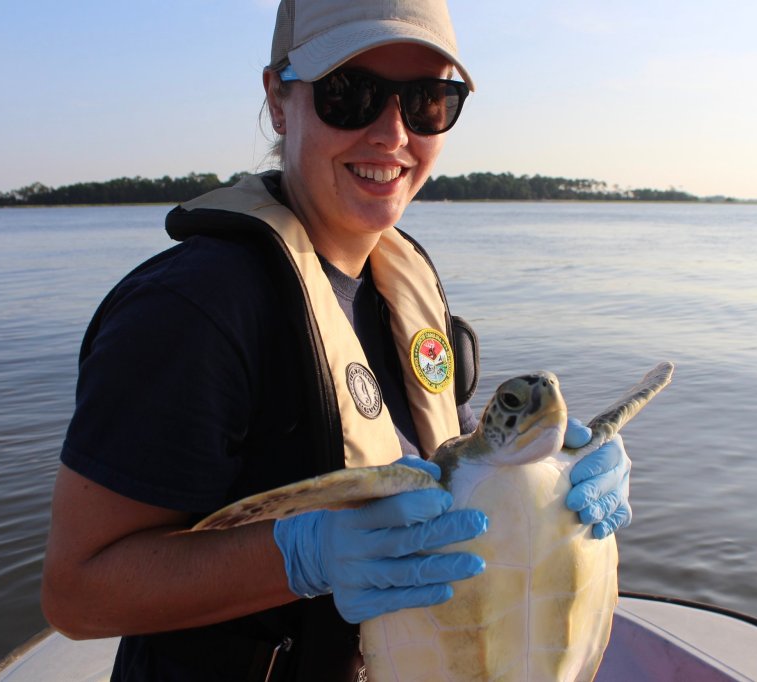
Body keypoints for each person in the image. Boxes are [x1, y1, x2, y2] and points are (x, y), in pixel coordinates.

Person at [40, 1, 632, 680]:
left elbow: (443, 453)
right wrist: (304, 553)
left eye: (428, 101)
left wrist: (545, 477)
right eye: (349, 94)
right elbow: (77, 596)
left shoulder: (403, 276)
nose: (392, 132)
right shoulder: (194, 311)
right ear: (279, 100)